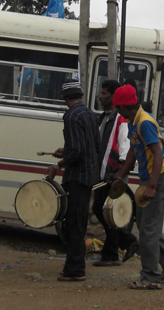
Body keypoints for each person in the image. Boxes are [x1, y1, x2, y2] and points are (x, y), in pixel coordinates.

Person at [111, 84, 164, 290]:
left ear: (125, 107)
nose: (118, 112)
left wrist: (152, 186)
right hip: (149, 178)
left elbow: (158, 153)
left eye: (119, 108)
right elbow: (133, 151)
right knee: (145, 226)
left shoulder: (145, 123)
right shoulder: (133, 123)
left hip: (157, 178)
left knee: (149, 230)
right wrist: (120, 175)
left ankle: (150, 277)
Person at [46, 81, 101, 282]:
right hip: (89, 176)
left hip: (76, 177)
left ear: (65, 97)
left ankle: (75, 270)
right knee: (79, 222)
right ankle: (74, 267)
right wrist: (66, 150)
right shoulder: (90, 115)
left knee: (73, 225)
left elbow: (77, 151)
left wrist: (58, 165)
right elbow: (93, 146)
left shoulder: (71, 116)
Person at [92, 79, 139, 267]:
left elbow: (125, 148)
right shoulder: (107, 116)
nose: (101, 97)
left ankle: (118, 249)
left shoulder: (120, 118)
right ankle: (116, 249)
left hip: (113, 174)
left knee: (103, 211)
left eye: (104, 93)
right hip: (107, 172)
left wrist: (118, 174)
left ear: (114, 97)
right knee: (103, 211)